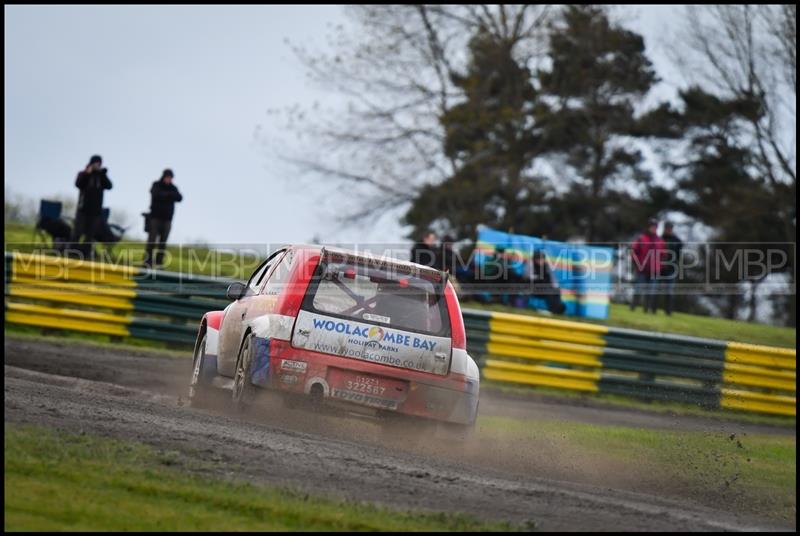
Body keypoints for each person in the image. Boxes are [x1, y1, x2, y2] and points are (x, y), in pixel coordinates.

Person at [70, 154, 112, 257]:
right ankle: (72, 253)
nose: (97, 165)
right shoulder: (83, 174)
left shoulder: (101, 176)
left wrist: (103, 174)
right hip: (83, 209)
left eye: (99, 163)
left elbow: (109, 186)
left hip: (96, 211)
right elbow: (78, 184)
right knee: (77, 232)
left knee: (90, 235)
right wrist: (87, 173)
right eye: (96, 163)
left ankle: (85, 254)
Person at [144, 168, 183, 268]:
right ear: (163, 177)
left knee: (163, 242)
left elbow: (179, 197)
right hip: (155, 218)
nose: (169, 179)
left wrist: (167, 195)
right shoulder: (156, 185)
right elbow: (156, 194)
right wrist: (169, 196)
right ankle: (147, 261)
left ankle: (159, 262)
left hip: (167, 220)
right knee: (151, 240)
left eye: (170, 178)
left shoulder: (173, 188)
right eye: (167, 177)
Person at [630, 218, 665, 314]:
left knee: (650, 291)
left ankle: (646, 309)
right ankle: (633, 307)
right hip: (642, 269)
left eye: (655, 227)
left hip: (654, 270)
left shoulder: (660, 241)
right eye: (652, 227)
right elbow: (634, 252)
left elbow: (663, 255)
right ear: (649, 227)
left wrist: (660, 266)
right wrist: (637, 264)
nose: (654, 229)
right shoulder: (641, 238)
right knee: (638, 289)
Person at [528, 250, 566, 314]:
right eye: (539, 259)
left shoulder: (546, 266)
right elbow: (528, 276)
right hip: (534, 287)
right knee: (548, 290)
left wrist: (555, 286)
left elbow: (552, 278)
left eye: (542, 259)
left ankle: (557, 306)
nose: (541, 260)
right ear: (535, 259)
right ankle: (553, 309)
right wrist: (539, 278)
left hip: (546, 287)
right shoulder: (531, 265)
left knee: (556, 290)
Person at [660, 221, 683, 316]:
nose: (668, 230)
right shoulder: (660, 238)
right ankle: (651, 309)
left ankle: (668, 311)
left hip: (671, 269)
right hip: (660, 268)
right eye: (667, 228)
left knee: (669, 291)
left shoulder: (676, 240)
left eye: (670, 228)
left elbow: (679, 252)